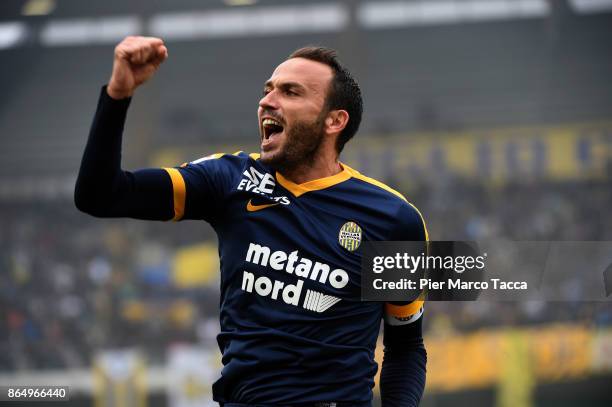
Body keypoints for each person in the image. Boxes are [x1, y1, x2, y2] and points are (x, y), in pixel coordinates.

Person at [75, 36, 428, 406]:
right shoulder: (228, 178)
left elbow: (406, 346)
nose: (267, 101)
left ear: (334, 120)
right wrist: (117, 94)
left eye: (290, 92)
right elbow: (99, 196)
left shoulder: (395, 218)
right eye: (268, 90)